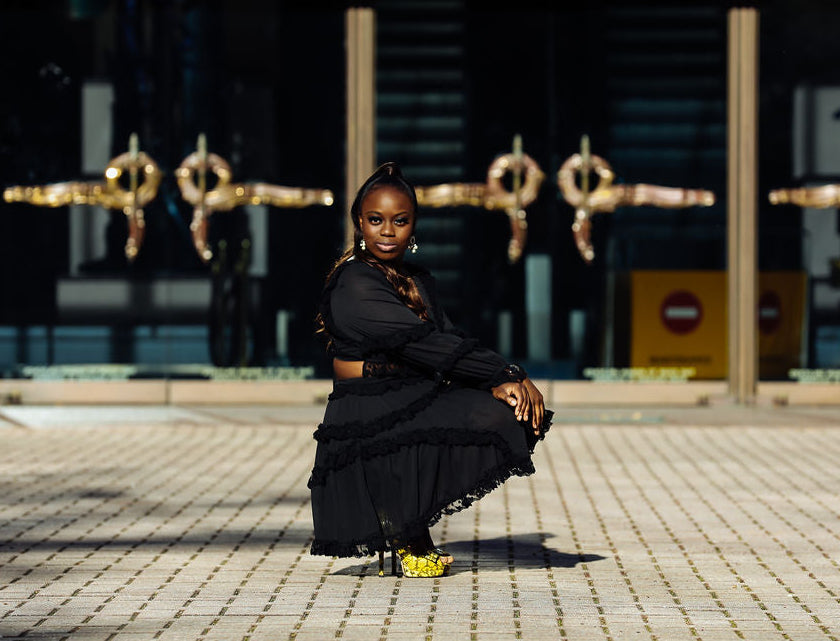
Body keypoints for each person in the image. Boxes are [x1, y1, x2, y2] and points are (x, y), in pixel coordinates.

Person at [309, 162, 551, 578]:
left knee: (505, 413)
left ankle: (412, 528)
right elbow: (427, 345)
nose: (388, 231)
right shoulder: (355, 282)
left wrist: (500, 381)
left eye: (400, 221)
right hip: (367, 405)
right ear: (358, 223)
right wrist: (503, 372)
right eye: (376, 220)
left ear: (414, 226)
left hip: (413, 390)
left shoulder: (416, 278)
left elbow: (448, 337)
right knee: (468, 415)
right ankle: (406, 534)